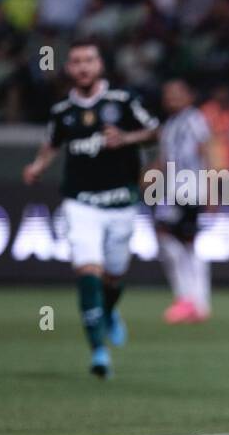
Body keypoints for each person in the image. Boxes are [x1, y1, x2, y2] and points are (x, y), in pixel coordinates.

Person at [22, 40, 160, 377]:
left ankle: (110, 311)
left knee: (113, 276)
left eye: (89, 60)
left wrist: (126, 139)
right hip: (80, 202)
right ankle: (99, 353)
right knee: (88, 272)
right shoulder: (61, 112)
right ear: (68, 68)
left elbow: (155, 131)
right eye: (76, 61)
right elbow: (51, 144)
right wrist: (38, 165)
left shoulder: (123, 101)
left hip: (121, 203)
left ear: (100, 65)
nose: (83, 67)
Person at [153, 79, 213, 323]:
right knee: (174, 240)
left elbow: (206, 151)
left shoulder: (194, 119)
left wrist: (212, 188)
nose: (171, 99)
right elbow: (165, 159)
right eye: (168, 95)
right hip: (172, 190)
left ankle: (193, 300)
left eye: (177, 94)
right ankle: (193, 300)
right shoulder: (169, 125)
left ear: (189, 96)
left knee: (181, 241)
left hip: (191, 189)